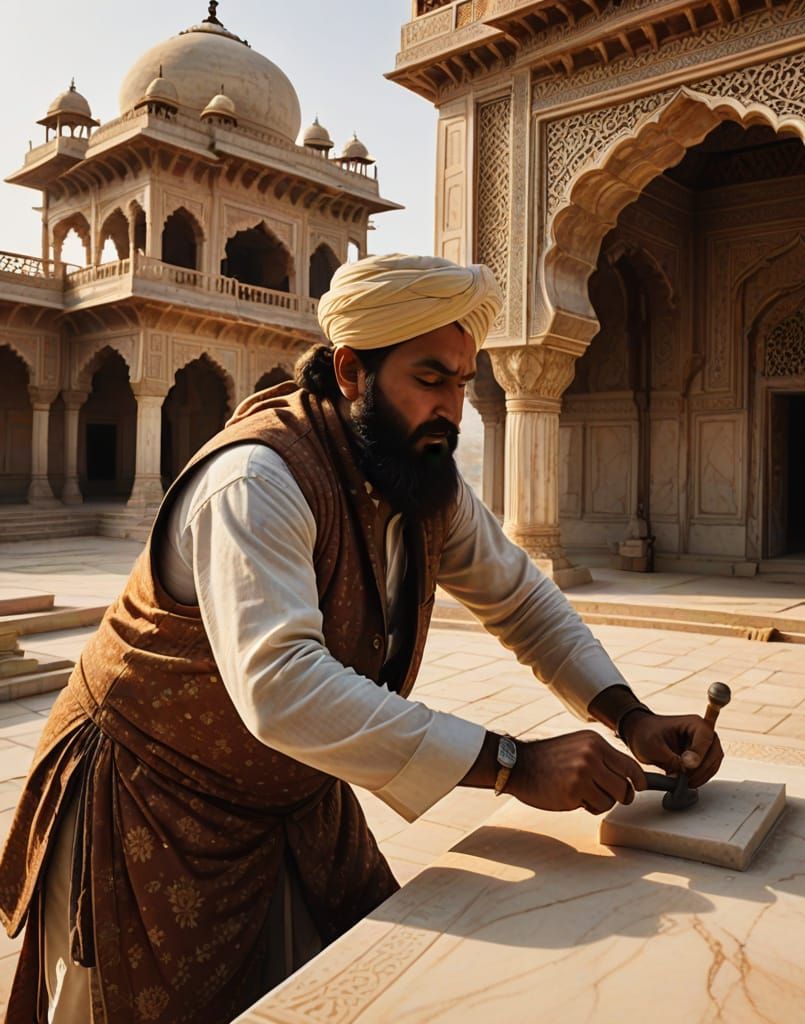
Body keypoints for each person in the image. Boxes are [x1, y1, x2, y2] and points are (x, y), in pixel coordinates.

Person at [0, 254, 722, 1023]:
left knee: (350, 986)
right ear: (351, 370)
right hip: (152, 804)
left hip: (292, 797)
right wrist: (513, 764)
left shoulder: (418, 474)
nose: (453, 406)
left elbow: (521, 601)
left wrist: (629, 716)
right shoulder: (259, 480)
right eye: (430, 378)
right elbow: (283, 687)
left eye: (462, 383)